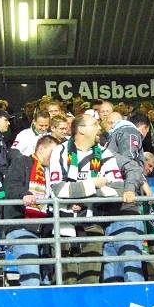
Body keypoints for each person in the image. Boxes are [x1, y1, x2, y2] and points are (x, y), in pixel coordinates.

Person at [49, 114, 124, 285]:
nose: (100, 127)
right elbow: (58, 189)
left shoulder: (104, 153)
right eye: (95, 124)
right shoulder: (60, 151)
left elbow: (118, 189)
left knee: (90, 282)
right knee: (66, 283)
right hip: (63, 226)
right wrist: (93, 184)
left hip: (93, 224)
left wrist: (79, 196)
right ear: (81, 130)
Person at [3, 135, 59, 286]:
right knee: (31, 279)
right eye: (52, 152)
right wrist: (24, 194)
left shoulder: (53, 170)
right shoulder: (22, 162)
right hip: (22, 224)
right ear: (41, 148)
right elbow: (11, 186)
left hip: (44, 229)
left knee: (46, 281)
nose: (54, 157)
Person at [103, 112, 152, 283]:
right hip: (126, 205)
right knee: (131, 267)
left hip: (109, 207)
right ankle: (137, 299)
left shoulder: (110, 138)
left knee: (112, 270)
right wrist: (142, 183)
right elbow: (130, 163)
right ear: (144, 127)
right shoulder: (131, 133)